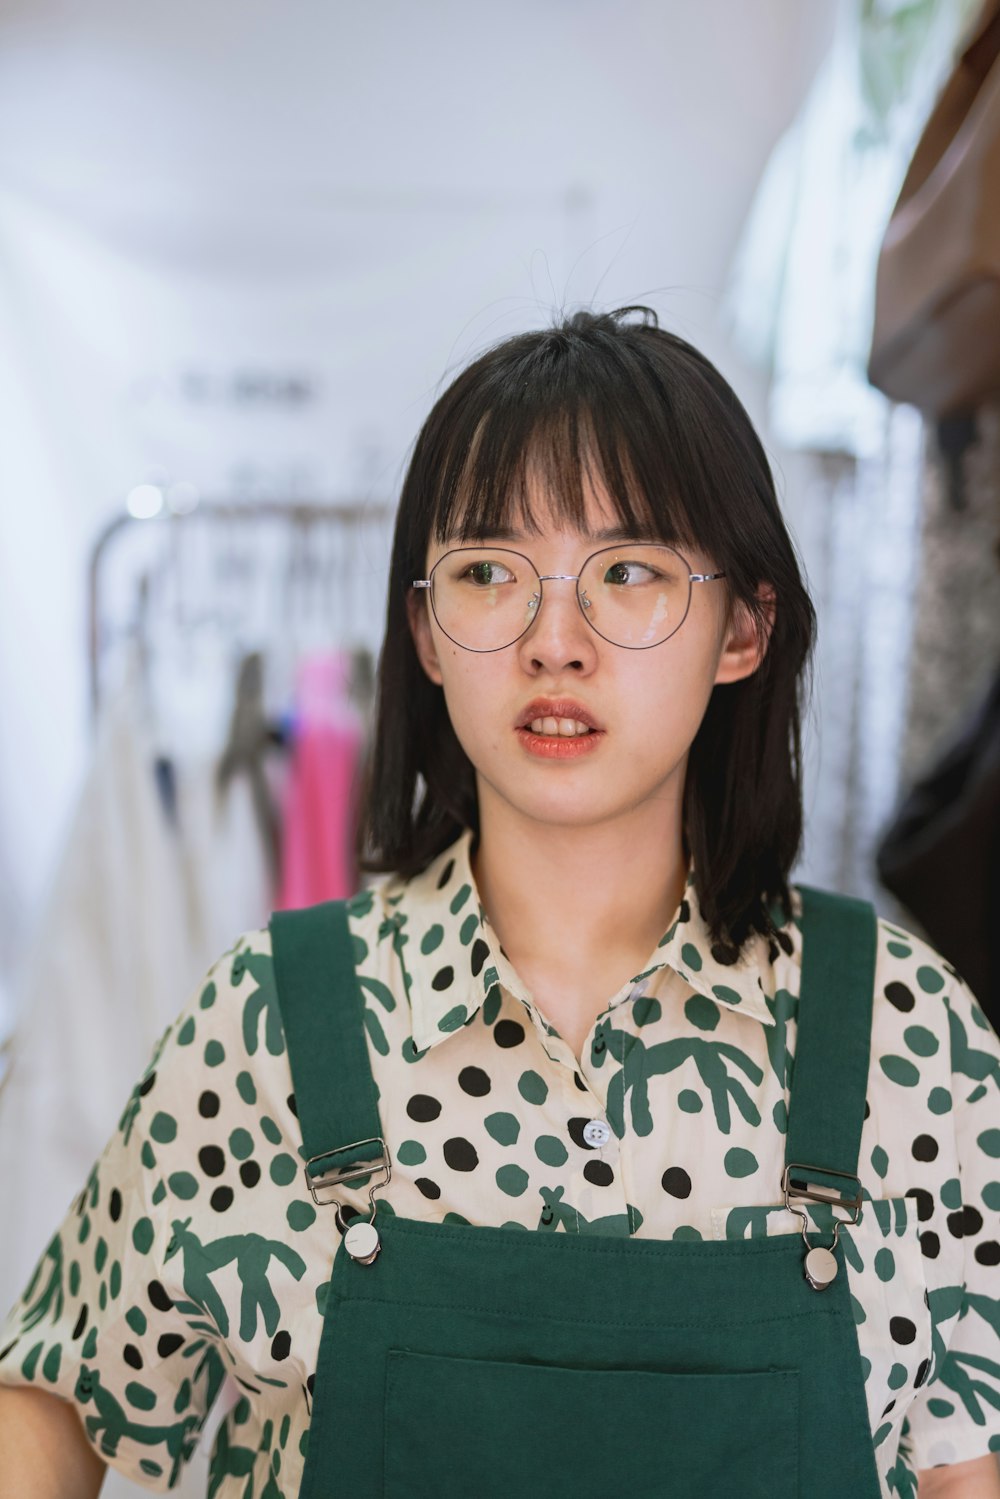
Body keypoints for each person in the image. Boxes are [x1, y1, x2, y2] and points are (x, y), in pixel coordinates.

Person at [1, 305, 998, 1499]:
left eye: (627, 572)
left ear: (743, 627)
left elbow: (966, 1465)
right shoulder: (272, 1020)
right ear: (425, 630)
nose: (553, 640)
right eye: (488, 573)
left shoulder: (902, 1030)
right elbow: (53, 1400)